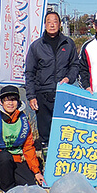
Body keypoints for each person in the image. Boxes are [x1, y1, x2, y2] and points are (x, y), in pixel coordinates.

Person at [25, 11, 78, 150]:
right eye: (49, 21)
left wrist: (69, 78)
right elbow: (30, 72)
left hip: (63, 93)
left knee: (64, 131)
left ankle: (62, 163)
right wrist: (31, 96)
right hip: (43, 94)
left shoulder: (69, 43)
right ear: (45, 25)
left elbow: (75, 65)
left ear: (60, 24)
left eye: (55, 21)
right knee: (45, 133)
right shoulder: (36, 46)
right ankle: (47, 164)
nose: (52, 24)